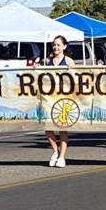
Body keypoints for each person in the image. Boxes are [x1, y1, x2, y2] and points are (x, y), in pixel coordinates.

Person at [44, 35, 76, 167]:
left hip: (64, 98)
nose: (56, 47)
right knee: (47, 127)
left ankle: (62, 157)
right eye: (54, 45)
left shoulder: (69, 61)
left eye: (58, 45)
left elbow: (75, 79)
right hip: (50, 98)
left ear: (64, 46)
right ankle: (55, 151)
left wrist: (71, 72)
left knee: (63, 128)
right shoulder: (47, 61)